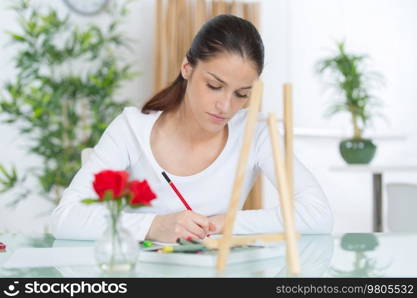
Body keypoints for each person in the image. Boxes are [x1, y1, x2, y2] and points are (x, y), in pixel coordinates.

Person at [50, 14, 333, 243]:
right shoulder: (131, 128)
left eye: (241, 94)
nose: (225, 106)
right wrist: (154, 225)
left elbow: (318, 214)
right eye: (214, 86)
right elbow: (64, 219)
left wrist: (227, 222)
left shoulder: (255, 131)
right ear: (187, 67)